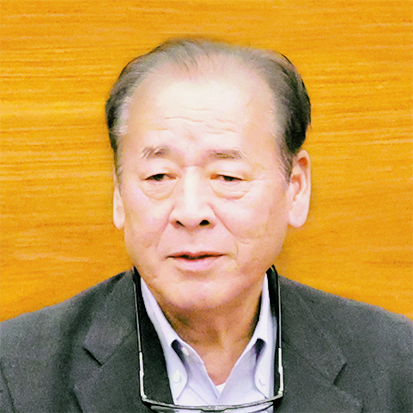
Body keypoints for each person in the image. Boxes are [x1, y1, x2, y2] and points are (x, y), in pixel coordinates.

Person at [0, 37, 412, 413]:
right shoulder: (16, 375)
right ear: (119, 194)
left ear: (296, 187)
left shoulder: (397, 364)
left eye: (228, 177)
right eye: (159, 176)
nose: (191, 210)